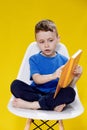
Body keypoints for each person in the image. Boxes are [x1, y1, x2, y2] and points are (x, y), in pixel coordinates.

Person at [10, 19, 82, 112]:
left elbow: (67, 86)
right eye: (42, 42)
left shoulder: (64, 60)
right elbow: (37, 79)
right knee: (15, 85)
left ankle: (34, 105)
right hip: (36, 93)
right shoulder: (34, 59)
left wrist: (76, 77)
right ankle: (51, 105)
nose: (46, 45)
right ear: (37, 42)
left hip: (53, 94)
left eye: (50, 40)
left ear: (58, 39)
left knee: (70, 93)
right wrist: (53, 75)